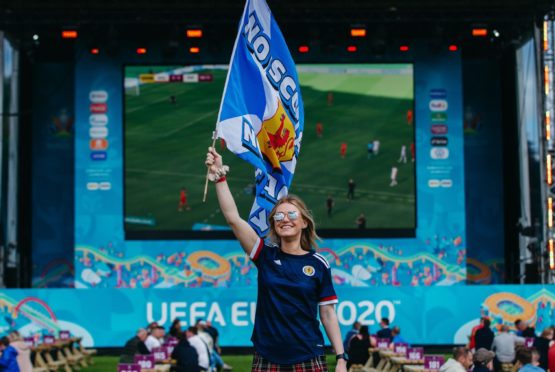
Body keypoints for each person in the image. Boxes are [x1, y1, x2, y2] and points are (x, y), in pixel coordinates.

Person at [205, 146, 347, 371]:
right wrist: (219, 176)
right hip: (267, 357)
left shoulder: (318, 264)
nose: (285, 219)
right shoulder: (264, 255)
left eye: (292, 214)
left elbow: (328, 313)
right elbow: (233, 218)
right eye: (279, 216)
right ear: (273, 224)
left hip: (308, 357)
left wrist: (341, 357)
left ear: (304, 222)